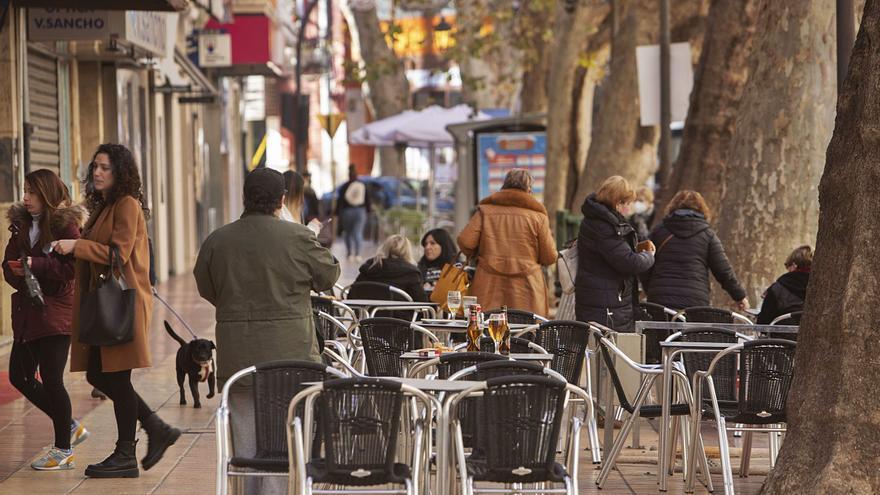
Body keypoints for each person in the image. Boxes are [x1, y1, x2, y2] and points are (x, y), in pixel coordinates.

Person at [194, 167, 339, 495]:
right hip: (291, 356)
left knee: (244, 440)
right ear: (282, 200)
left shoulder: (218, 240)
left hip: (238, 357)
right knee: (283, 437)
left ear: (245, 197)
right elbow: (329, 276)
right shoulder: (299, 237)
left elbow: (206, 286)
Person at [52, 143, 179, 478]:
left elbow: (118, 254)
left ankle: (126, 453)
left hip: (122, 303)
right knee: (99, 373)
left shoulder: (127, 204)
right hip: (104, 303)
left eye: (105, 167)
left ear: (120, 172)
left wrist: (77, 245)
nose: (97, 172)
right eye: (95, 166)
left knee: (117, 377)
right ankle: (155, 427)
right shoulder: (104, 206)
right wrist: (69, 251)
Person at [3, 170, 89, 471]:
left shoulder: (65, 225)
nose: (26, 198)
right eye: (25, 191)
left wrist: (34, 265)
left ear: (47, 194)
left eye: (32, 192)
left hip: (56, 313)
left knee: (52, 379)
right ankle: (70, 425)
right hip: (28, 311)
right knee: (19, 376)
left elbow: (71, 270)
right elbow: (9, 263)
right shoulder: (21, 225)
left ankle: (63, 449)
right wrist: (16, 271)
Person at [458, 169, 557, 316]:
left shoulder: (485, 211)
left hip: (488, 284)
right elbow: (549, 257)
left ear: (504, 186)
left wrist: (477, 254)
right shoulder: (538, 217)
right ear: (528, 189)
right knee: (526, 332)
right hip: (528, 288)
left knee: (487, 331)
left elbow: (465, 241)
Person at [641, 190, 748, 311]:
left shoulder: (658, 231)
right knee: (690, 330)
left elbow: (645, 264)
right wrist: (739, 296)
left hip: (660, 298)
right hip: (695, 301)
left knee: (661, 329)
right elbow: (723, 271)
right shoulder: (707, 235)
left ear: (673, 207)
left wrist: (651, 289)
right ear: (702, 209)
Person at [576, 176, 655, 331]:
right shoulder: (604, 226)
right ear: (618, 203)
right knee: (608, 351)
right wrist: (649, 255)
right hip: (606, 305)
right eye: (628, 203)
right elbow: (629, 262)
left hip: (606, 300)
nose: (630, 207)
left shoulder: (601, 220)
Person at [354, 234, 428, 302]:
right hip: (399, 316)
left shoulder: (369, 268)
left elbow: (352, 295)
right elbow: (422, 302)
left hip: (367, 315)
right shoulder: (411, 273)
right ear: (408, 251)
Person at [756, 245, 812, 324]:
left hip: (782, 335)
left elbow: (763, 322)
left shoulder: (778, 288)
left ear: (794, 265)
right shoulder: (824, 287)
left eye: (787, 266)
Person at [335, 164, 371, 262]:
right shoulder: (362, 185)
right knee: (358, 232)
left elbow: (340, 200)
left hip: (347, 211)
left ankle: (350, 253)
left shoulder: (345, 186)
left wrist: (337, 212)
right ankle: (358, 254)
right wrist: (368, 211)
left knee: (348, 233)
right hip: (360, 211)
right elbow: (367, 199)